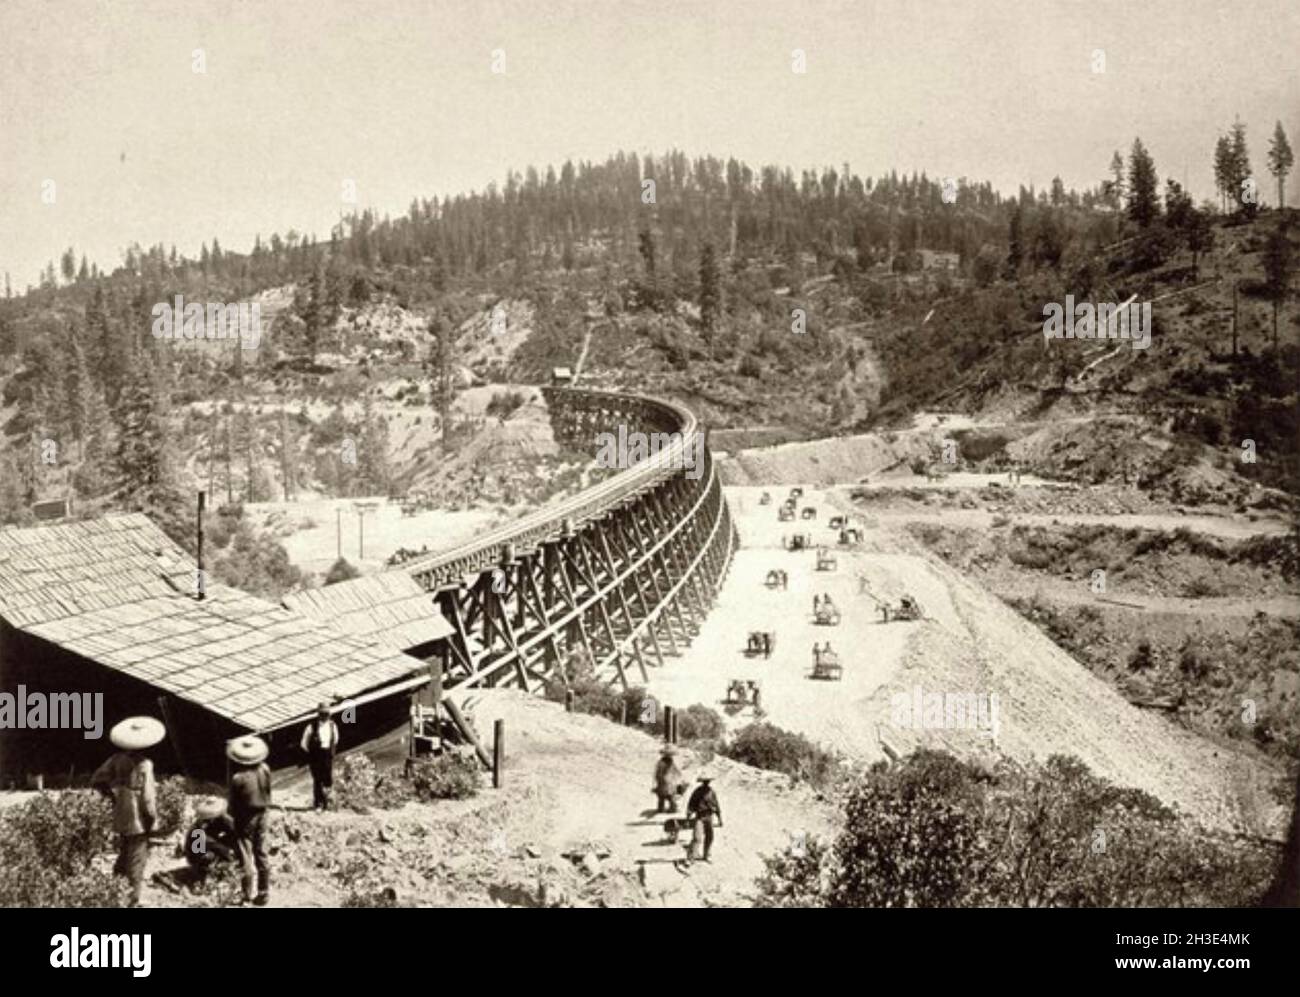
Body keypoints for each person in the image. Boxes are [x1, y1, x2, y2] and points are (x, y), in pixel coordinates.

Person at [91, 717, 164, 906]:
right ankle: (133, 900)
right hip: (138, 818)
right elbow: (148, 798)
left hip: (121, 813)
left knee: (124, 851)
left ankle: (114, 889)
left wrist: (113, 796)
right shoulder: (145, 765)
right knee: (137, 860)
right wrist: (153, 819)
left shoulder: (116, 759)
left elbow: (97, 780)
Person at [227, 734, 272, 906]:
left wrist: (233, 819)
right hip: (263, 813)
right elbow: (268, 791)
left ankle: (246, 894)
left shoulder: (238, 778)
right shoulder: (265, 769)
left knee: (245, 855)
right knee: (261, 853)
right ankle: (264, 892)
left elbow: (232, 805)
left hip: (246, 817)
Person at [301, 700, 340, 810]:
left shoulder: (333, 726)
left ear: (329, 714)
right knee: (317, 780)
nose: (324, 716)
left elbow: (336, 739)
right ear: (318, 714)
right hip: (315, 756)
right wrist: (313, 752)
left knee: (328, 779)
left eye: (326, 714)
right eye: (322, 714)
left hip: (327, 754)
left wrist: (329, 750)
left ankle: (328, 804)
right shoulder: (311, 727)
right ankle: (318, 804)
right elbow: (304, 743)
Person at [685, 774, 722, 864]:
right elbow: (691, 805)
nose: (706, 783)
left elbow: (716, 805)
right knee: (697, 838)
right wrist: (688, 817)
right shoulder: (697, 791)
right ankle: (690, 857)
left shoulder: (711, 792)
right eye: (705, 781)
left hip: (709, 816)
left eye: (708, 781)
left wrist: (720, 819)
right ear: (702, 782)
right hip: (700, 817)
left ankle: (706, 855)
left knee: (710, 837)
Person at [653, 746, 682, 813]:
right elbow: (676, 770)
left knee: (661, 796)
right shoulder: (669, 761)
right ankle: (672, 808)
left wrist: (657, 778)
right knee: (670, 796)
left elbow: (658, 772)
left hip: (662, 780)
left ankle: (661, 808)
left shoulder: (661, 761)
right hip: (669, 781)